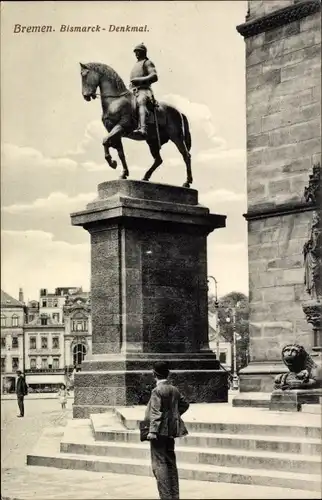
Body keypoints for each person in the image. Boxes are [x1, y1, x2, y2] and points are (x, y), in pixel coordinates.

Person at [144, 361, 190, 500]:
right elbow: (185, 404)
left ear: (154, 374)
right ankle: (174, 495)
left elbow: (156, 411)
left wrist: (152, 431)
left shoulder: (157, 391)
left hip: (158, 434)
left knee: (159, 465)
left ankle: (165, 497)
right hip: (171, 431)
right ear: (167, 374)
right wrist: (173, 417)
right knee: (171, 464)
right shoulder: (174, 389)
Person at [129, 43, 158, 138]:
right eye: (135, 52)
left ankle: (143, 128)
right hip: (133, 91)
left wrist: (139, 80)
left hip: (144, 90)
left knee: (141, 101)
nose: (136, 54)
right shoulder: (136, 64)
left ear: (143, 52)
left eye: (138, 51)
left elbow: (154, 76)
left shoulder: (147, 62)